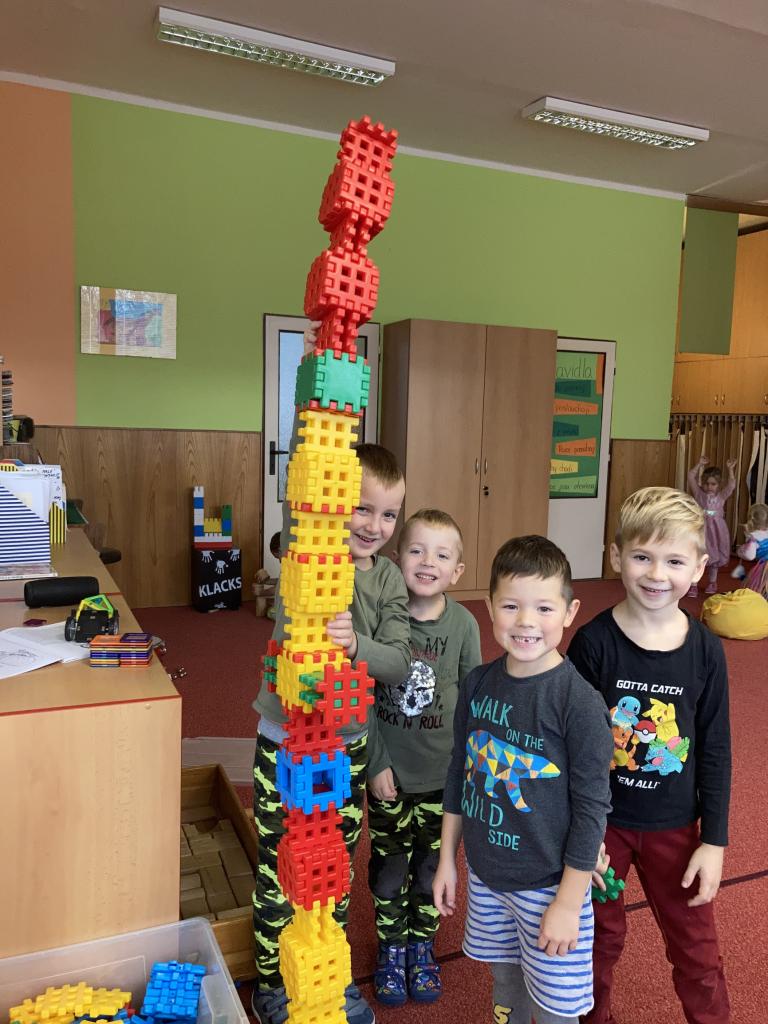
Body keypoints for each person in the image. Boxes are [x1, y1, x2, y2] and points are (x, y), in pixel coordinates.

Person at [251, 427, 410, 1021]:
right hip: (285, 738)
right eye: (362, 507)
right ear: (334, 498)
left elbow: (398, 660)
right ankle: (272, 980)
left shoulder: (387, 579)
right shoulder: (307, 547)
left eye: (389, 514)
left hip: (347, 745)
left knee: (332, 867)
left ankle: (332, 973)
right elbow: (302, 492)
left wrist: (356, 643)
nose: (374, 525)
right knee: (281, 863)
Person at [568, 486, 732, 1024]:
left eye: (674, 561)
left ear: (699, 567)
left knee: (697, 950)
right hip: (602, 827)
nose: (657, 574)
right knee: (594, 942)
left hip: (676, 828)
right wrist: (580, 833)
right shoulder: (593, 643)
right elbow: (572, 746)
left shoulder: (706, 649)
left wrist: (714, 841)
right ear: (616, 556)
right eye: (642, 557)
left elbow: (716, 749)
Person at [433, 536, 613, 1024]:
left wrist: (568, 903)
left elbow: (592, 808)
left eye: (543, 608)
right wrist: (448, 859)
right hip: (487, 877)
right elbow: (461, 770)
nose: (526, 621)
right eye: (511, 605)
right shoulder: (477, 683)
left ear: (570, 612)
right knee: (507, 984)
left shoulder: (579, 704)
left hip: (548, 887)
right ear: (490, 606)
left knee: (555, 1010)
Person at [366, 509, 482, 1008]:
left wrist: (468, 769)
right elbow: (361, 698)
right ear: (397, 559)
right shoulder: (382, 621)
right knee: (390, 867)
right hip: (390, 776)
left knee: (433, 865)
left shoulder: (464, 624)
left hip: (443, 781)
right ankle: (392, 946)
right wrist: (375, 762)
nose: (428, 562)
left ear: (457, 570)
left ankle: (421, 944)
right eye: (416, 550)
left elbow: (475, 701)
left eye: (441, 554)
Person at [686, 455, 737, 596]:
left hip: (716, 531)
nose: (709, 487)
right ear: (702, 483)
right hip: (701, 530)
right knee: (698, 554)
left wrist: (730, 470)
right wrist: (699, 464)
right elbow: (691, 476)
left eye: (713, 484)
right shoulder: (698, 493)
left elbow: (731, 485)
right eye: (707, 483)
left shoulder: (721, 496)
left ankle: (712, 582)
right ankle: (693, 584)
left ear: (719, 485)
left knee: (714, 556)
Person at [737, 501, 768, 600]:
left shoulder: (754, 537)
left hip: (765, 567)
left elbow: (750, 556)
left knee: (759, 587)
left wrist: (740, 552)